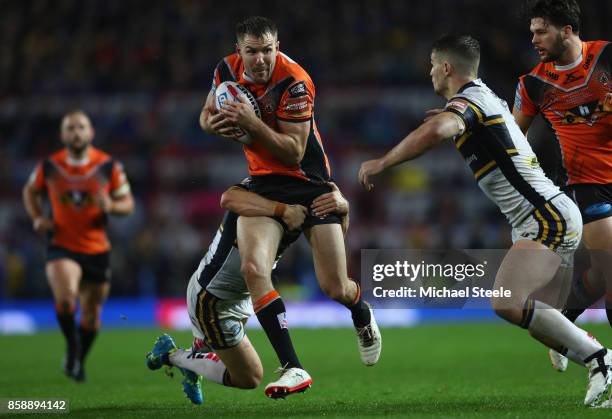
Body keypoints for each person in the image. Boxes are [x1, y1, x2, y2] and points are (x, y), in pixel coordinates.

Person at [358, 34, 611, 408]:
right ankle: (581, 346)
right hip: (541, 215)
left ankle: (596, 357)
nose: (429, 72)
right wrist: (452, 116)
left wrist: (383, 162)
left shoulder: (471, 101)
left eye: (432, 65)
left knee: (507, 299)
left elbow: (439, 130)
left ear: (446, 67)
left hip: (546, 215)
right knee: (518, 303)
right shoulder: (483, 97)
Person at [198, 16, 382, 392]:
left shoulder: (295, 81)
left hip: (310, 185)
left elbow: (294, 151)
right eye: (253, 51)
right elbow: (205, 115)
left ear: (276, 47)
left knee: (334, 287)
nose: (261, 59)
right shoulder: (225, 70)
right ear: (239, 52)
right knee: (252, 267)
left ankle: (360, 311)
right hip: (264, 185)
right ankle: (292, 367)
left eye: (268, 50)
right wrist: (211, 125)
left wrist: (251, 123)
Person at [146, 182, 350, 403]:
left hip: (242, 294)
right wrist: (282, 210)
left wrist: (343, 209)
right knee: (250, 377)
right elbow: (228, 198)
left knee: (215, 347)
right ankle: (174, 356)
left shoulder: (305, 190)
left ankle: (191, 360)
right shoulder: (258, 187)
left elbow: (332, 245)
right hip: (215, 298)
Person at [512, 0, 612, 372]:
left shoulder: (607, 57)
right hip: (588, 185)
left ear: (566, 30)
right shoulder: (534, 84)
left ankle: (562, 326)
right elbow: (512, 140)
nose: (534, 39)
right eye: (533, 32)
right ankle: (604, 364)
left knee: (600, 276)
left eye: (541, 31)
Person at [22, 110, 134, 382]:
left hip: (96, 248)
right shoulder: (50, 166)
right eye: (70, 128)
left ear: (91, 132)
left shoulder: (108, 166)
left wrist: (111, 206)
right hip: (62, 244)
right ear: (62, 135)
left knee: (93, 315)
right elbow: (30, 191)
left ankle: (77, 359)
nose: (76, 133)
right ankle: (73, 349)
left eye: (81, 127)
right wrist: (38, 217)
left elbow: (127, 204)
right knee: (65, 298)